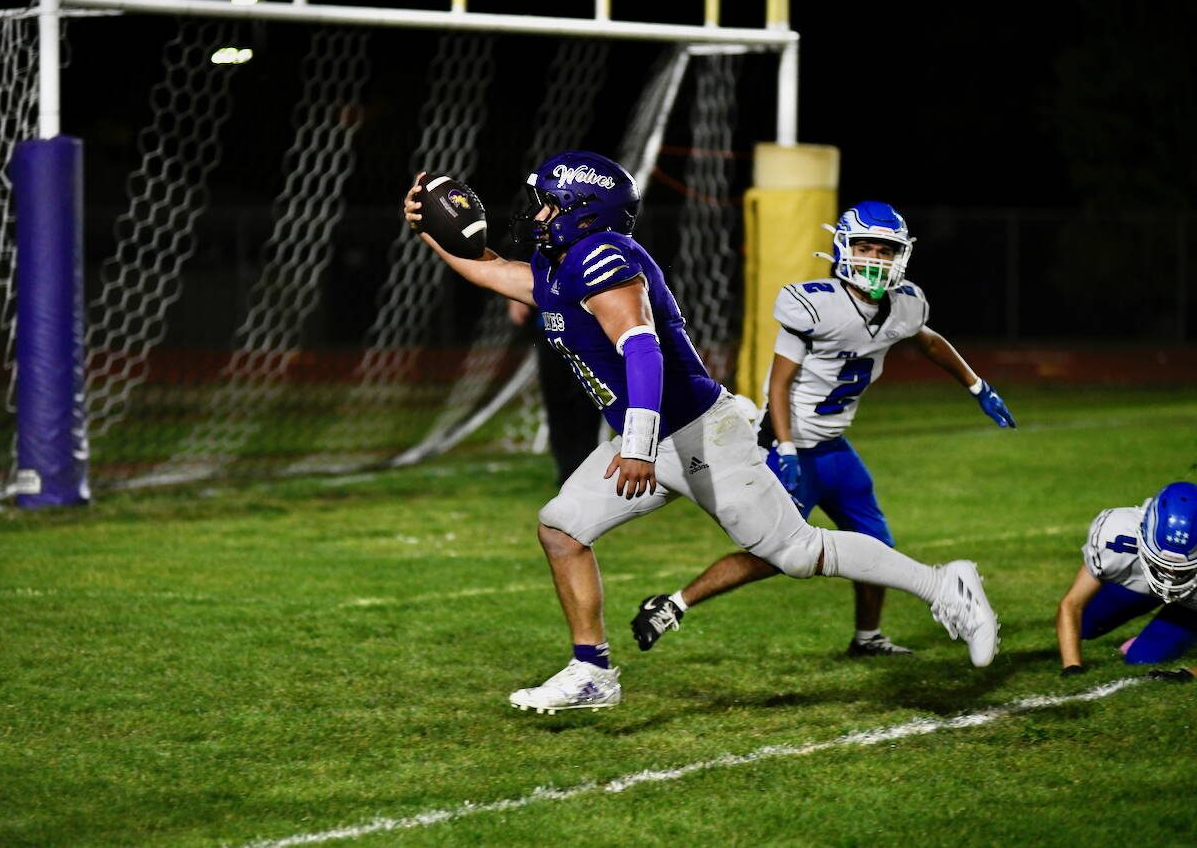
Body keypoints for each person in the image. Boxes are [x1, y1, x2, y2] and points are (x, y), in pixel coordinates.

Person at [402, 153, 999, 715]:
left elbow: (642, 347)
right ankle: (593, 672)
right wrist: (433, 225)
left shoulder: (601, 256)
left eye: (546, 203)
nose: (533, 213)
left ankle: (946, 585)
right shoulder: (562, 265)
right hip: (651, 437)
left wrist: (636, 444)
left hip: (698, 435)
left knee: (797, 553)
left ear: (581, 211)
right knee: (561, 529)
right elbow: (485, 267)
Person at [631, 201, 1017, 658]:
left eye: (885, 250)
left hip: (834, 448)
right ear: (842, 248)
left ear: (902, 255)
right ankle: (672, 605)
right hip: (787, 445)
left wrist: (976, 385)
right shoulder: (815, 304)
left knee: (877, 549)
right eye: (865, 247)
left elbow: (928, 340)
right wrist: (788, 450)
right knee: (776, 554)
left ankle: (867, 638)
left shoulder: (905, 305)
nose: (874, 259)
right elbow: (779, 383)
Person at [1056, 480, 1197, 676]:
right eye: (1161, 563)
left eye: (1179, 568)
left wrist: (1189, 674)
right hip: (1140, 584)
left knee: (1142, 659)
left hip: (1191, 604)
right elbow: (1072, 603)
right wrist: (1072, 666)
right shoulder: (1117, 535)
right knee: (1084, 625)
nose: (1170, 573)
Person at [507, 298, 605, 484]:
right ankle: (567, 473)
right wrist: (513, 297)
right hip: (548, 326)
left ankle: (587, 469)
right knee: (555, 399)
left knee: (587, 397)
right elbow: (530, 271)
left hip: (588, 325)